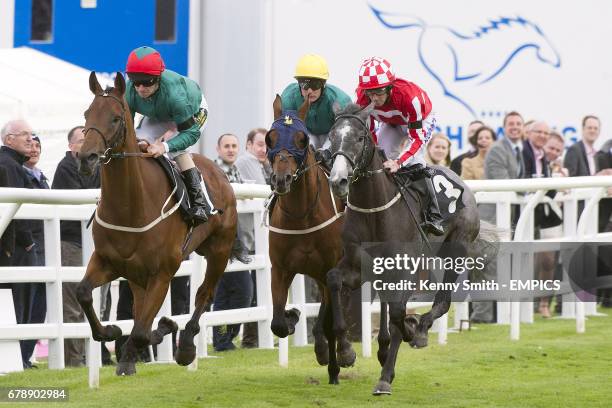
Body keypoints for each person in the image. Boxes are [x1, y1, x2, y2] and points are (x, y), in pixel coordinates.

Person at [355, 56, 443, 235]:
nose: (374, 98)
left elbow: (416, 139)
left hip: (419, 120)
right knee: (380, 159)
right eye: (369, 92)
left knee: (413, 162)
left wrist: (399, 162)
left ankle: (433, 214)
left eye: (379, 92)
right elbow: (370, 133)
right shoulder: (361, 98)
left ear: (389, 86)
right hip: (391, 122)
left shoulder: (411, 97)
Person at [124, 46, 212, 225]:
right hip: (160, 114)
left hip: (191, 112)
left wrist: (164, 146)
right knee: (141, 140)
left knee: (176, 150)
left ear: (158, 78)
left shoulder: (176, 96)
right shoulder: (130, 92)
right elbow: (128, 130)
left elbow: (191, 133)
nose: (140, 88)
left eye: (147, 82)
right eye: (136, 81)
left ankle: (199, 202)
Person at [52, 126, 103, 367]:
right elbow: (82, 199)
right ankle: (74, 359)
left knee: (98, 301)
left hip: (95, 242)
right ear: (71, 146)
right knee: (73, 302)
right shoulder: (66, 167)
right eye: (83, 140)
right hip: (72, 242)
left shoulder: (100, 165)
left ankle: (94, 355)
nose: (88, 143)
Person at [212, 133, 254, 351]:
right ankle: (222, 338)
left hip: (236, 237)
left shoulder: (235, 170)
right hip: (224, 239)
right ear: (218, 149)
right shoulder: (216, 171)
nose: (230, 149)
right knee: (240, 292)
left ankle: (224, 339)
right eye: (226, 146)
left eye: (233, 146)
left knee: (227, 294)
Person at [0, 120, 37, 368]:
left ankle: (18, 358)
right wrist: (28, 242)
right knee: (17, 302)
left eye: (30, 134)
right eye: (23, 134)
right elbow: (15, 208)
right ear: (8, 139)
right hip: (13, 247)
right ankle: (17, 359)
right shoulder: (9, 166)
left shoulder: (12, 164)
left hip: (12, 245)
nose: (29, 138)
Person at [281, 54, 352, 168]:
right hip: (307, 132)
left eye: (315, 85)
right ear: (298, 84)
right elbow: (287, 128)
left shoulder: (340, 100)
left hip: (332, 134)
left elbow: (345, 133)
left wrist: (328, 151)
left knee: (325, 154)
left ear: (323, 84)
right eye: (304, 84)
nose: (309, 91)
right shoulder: (288, 98)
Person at [235, 127, 272, 348]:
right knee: (245, 290)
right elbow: (266, 190)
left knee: (258, 288)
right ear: (249, 145)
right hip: (248, 237)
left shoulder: (262, 164)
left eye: (267, 145)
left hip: (256, 236)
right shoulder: (247, 161)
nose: (263, 149)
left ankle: (253, 337)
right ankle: (247, 338)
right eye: (259, 144)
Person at [20, 135, 49, 367]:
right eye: (30, 144)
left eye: (38, 146)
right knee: (27, 300)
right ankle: (20, 356)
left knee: (40, 303)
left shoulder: (42, 178)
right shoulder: (18, 174)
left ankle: (27, 356)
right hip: (29, 247)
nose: (35, 149)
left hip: (45, 246)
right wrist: (28, 241)